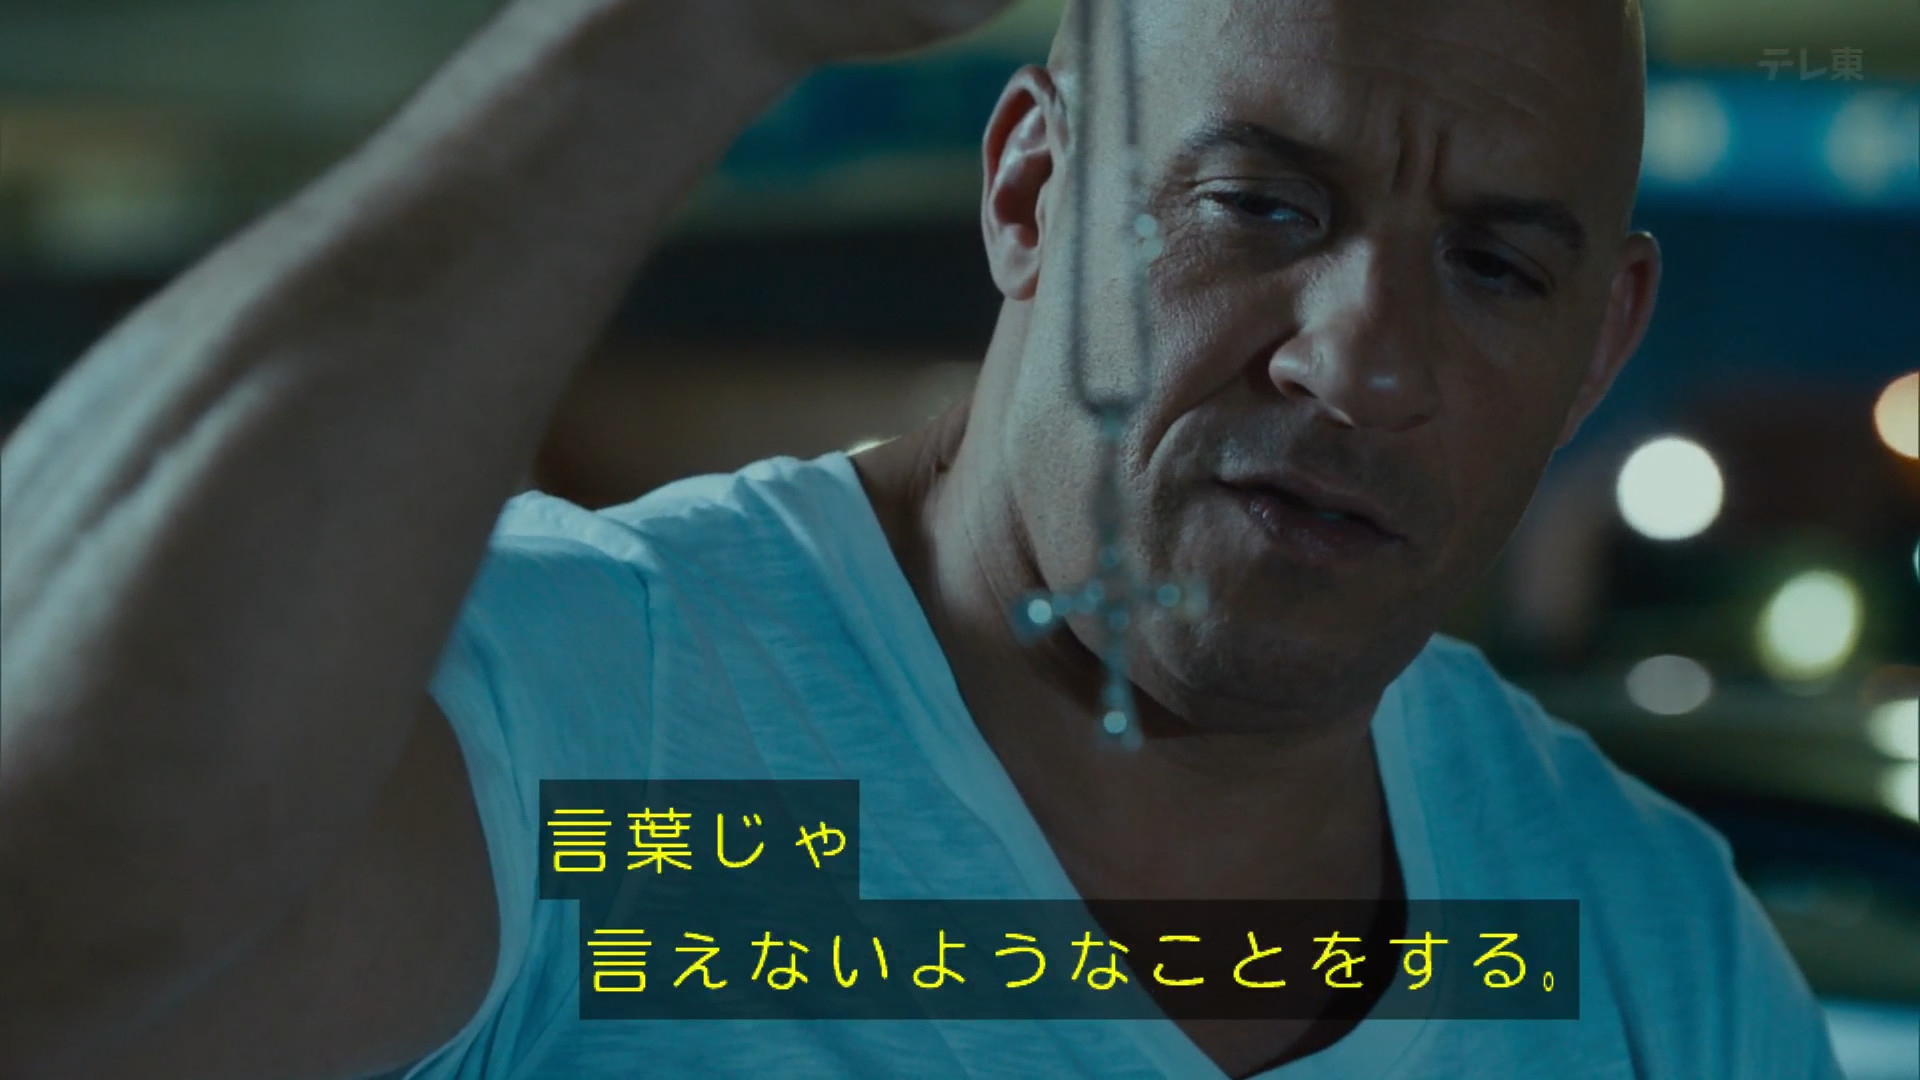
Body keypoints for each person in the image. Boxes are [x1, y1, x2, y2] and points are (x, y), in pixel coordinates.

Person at [0, 0, 1847, 1077]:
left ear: (1600, 346)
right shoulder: (595, 734)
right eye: (1260, 204)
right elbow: (49, 933)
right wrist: (678, 33)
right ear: (1032, 189)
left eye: (1497, 268)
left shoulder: (1639, 939)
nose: (1362, 362)